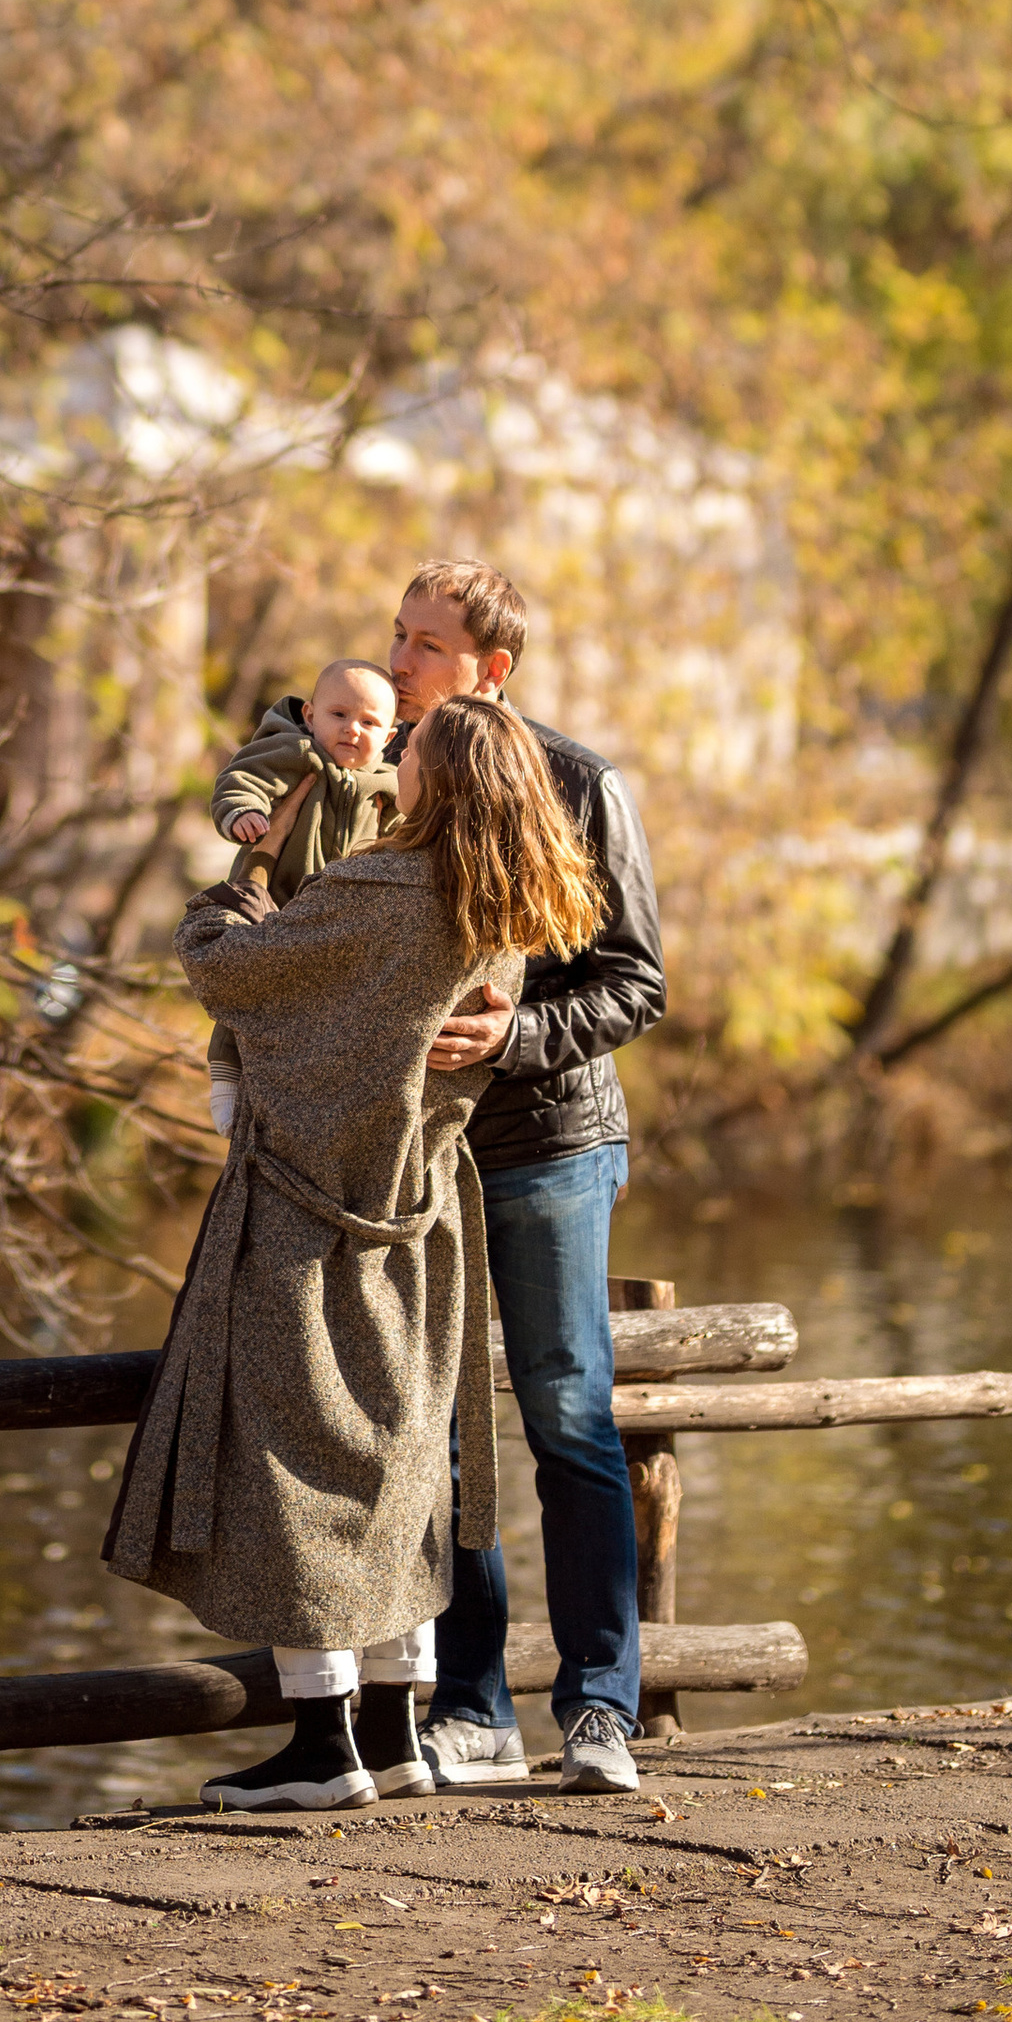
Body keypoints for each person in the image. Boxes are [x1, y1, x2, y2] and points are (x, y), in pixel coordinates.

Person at [103, 692, 603, 1814]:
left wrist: (243, 880)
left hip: (307, 1213)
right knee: (396, 1471)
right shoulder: (504, 906)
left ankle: (322, 1747)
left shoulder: (383, 888)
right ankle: (393, 1738)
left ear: (443, 778)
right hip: (419, 1220)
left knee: (295, 1469)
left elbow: (233, 974)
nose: (396, 762)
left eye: (412, 751)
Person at [389, 559, 667, 1799]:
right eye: (396, 637)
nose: (401, 663)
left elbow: (635, 982)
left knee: (565, 1420)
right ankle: (472, 1711)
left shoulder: (578, 784)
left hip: (552, 1143)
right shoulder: (373, 775)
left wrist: (513, 1038)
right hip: (420, 1158)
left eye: (427, 645)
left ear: (492, 671)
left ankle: (601, 1710)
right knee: (444, 1440)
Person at [201, 659, 399, 1134]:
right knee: (252, 982)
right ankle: (226, 1068)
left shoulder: (389, 787)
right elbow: (241, 779)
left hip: (341, 920)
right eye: (339, 715)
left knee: (322, 1004)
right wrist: (242, 813)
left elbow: (402, 838)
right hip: (276, 897)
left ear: (390, 737)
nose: (353, 729)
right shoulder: (294, 754)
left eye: (370, 722)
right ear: (310, 716)